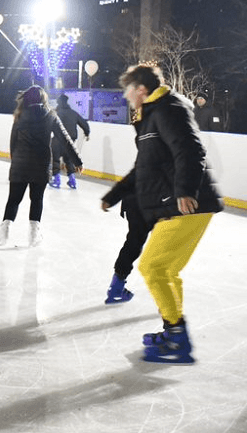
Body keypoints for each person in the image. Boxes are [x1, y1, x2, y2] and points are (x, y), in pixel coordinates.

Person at [103, 64, 223, 364]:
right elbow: (141, 169)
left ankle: (177, 338)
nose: (126, 97)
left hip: (186, 204)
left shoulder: (168, 109)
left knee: (153, 267)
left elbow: (190, 148)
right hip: (179, 205)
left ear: (141, 90)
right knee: (166, 271)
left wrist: (185, 190)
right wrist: (114, 195)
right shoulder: (150, 119)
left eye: (128, 91)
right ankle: (173, 332)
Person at [0, 85, 82, 248]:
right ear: (43, 99)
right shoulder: (51, 115)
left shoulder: (20, 115)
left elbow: (13, 142)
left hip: (20, 164)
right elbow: (65, 139)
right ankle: (33, 236)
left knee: (13, 200)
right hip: (41, 164)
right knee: (37, 199)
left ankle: (4, 233)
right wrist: (77, 160)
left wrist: (15, 161)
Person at [99, 184, 149, 305]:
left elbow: (132, 176)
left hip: (134, 198)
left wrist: (112, 197)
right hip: (150, 201)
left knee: (134, 242)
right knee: (136, 243)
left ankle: (116, 287)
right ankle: (167, 298)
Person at [50, 93, 91, 189]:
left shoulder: (56, 113)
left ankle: (56, 180)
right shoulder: (73, 113)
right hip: (70, 140)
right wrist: (87, 133)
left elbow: (50, 125)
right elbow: (84, 123)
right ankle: (72, 180)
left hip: (58, 139)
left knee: (55, 159)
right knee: (68, 159)